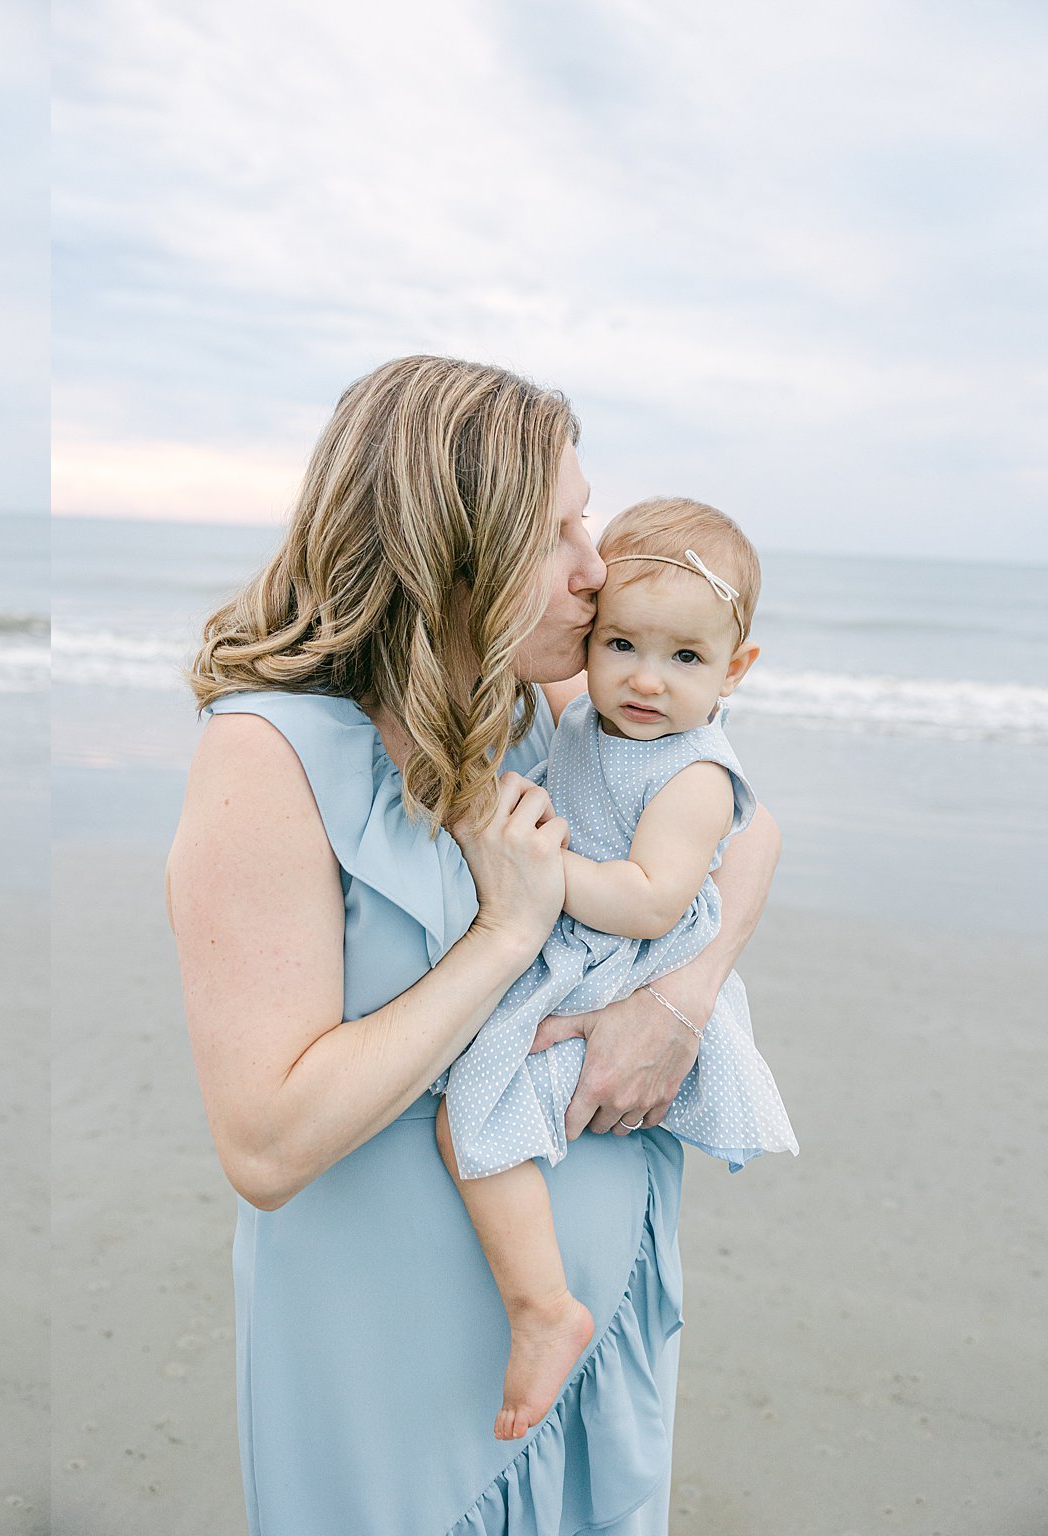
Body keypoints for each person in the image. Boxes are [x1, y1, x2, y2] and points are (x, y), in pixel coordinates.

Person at [167, 356, 781, 1534]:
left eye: (586, 518)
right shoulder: (269, 754)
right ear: (455, 552)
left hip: (600, 1299)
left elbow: (742, 830)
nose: (596, 570)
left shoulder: (521, 702)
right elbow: (265, 1142)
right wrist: (504, 933)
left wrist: (681, 1003)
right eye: (559, 531)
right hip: (398, 1336)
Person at [434, 496, 798, 1444]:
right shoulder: (587, 717)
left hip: (617, 961)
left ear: (735, 671)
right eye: (621, 645)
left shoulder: (694, 773)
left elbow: (650, 901)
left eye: (685, 659)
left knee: (471, 1106)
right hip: (581, 949)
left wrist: (539, 867)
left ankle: (543, 1305)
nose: (644, 679)